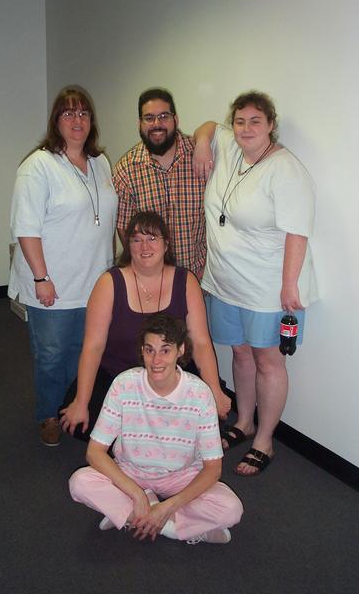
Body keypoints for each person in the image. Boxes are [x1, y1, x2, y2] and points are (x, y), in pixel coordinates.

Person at [193, 91, 318, 476]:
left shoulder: (286, 169)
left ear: (271, 125)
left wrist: (289, 286)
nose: (246, 129)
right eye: (240, 121)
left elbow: (297, 232)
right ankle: (244, 422)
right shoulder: (231, 146)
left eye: (255, 122)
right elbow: (208, 127)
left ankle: (265, 440)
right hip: (225, 282)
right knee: (240, 353)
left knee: (268, 361)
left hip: (267, 288)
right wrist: (202, 143)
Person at [68, 314, 243, 544]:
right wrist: (136, 494)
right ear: (142, 351)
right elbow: (94, 452)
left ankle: (134, 515)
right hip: (131, 472)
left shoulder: (200, 394)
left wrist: (169, 506)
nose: (156, 360)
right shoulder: (124, 384)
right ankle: (173, 525)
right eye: (149, 350)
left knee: (231, 509)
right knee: (80, 482)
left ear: (180, 350)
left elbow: (213, 469)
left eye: (165, 350)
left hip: (181, 476)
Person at [8, 85, 117, 446]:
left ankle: (74, 408)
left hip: (93, 280)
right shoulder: (38, 166)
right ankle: (48, 414)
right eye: (68, 113)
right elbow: (26, 228)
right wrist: (41, 277)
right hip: (51, 282)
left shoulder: (100, 163)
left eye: (83, 113)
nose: (77, 120)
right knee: (52, 355)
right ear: (56, 121)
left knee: (84, 350)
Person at [60, 211, 231, 439]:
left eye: (152, 238)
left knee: (203, 420)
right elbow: (93, 347)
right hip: (118, 375)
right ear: (128, 246)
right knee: (86, 426)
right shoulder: (109, 283)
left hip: (172, 374)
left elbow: (200, 343)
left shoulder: (186, 280)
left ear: (166, 244)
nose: (145, 246)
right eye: (137, 240)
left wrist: (214, 391)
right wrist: (81, 402)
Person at [112, 88, 206, 279]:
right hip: (153, 282)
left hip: (202, 278)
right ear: (139, 123)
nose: (157, 124)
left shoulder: (200, 156)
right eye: (149, 118)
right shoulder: (126, 170)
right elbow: (125, 230)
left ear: (175, 119)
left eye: (164, 116)